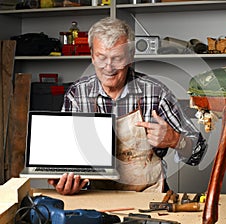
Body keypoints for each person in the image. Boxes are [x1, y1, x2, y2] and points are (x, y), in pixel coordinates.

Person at [48, 17, 207, 195]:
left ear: (130, 57)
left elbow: (198, 152)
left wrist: (176, 140)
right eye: (101, 58)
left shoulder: (155, 93)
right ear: (92, 56)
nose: (108, 67)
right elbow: (65, 159)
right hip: (93, 197)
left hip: (147, 198)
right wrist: (68, 182)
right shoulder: (77, 95)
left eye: (117, 58)